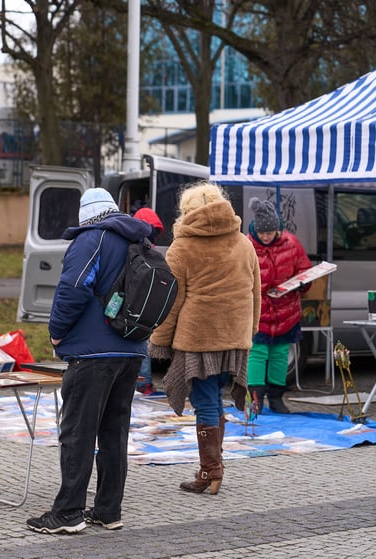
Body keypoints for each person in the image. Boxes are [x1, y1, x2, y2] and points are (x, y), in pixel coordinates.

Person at [26, 188, 151, 534]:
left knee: (77, 433)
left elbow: (73, 287)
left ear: (86, 215)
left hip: (92, 354)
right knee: (114, 433)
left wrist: (56, 332)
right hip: (131, 350)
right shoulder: (139, 240)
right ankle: (108, 510)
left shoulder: (92, 239)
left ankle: (68, 513)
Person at [148, 181, 261, 495]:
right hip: (235, 336)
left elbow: (172, 301)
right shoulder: (244, 243)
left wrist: (159, 340)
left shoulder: (182, 247)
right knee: (215, 399)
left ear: (187, 211)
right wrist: (250, 330)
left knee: (205, 401)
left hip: (199, 338)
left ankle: (211, 470)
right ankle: (212, 467)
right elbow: (255, 292)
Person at [246, 197, 312, 414]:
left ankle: (276, 398)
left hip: (286, 311)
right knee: (257, 353)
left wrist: (304, 282)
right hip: (258, 311)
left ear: (278, 229)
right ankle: (255, 400)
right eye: (262, 232)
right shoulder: (246, 246)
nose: (266, 236)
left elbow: (303, 268)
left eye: (270, 232)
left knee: (280, 354)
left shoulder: (291, 243)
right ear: (255, 228)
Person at [132, 207, 165, 395]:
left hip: (136, 304)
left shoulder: (133, 248)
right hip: (148, 305)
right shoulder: (152, 250)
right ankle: (144, 383)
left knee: (140, 345)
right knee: (143, 344)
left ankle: (142, 382)